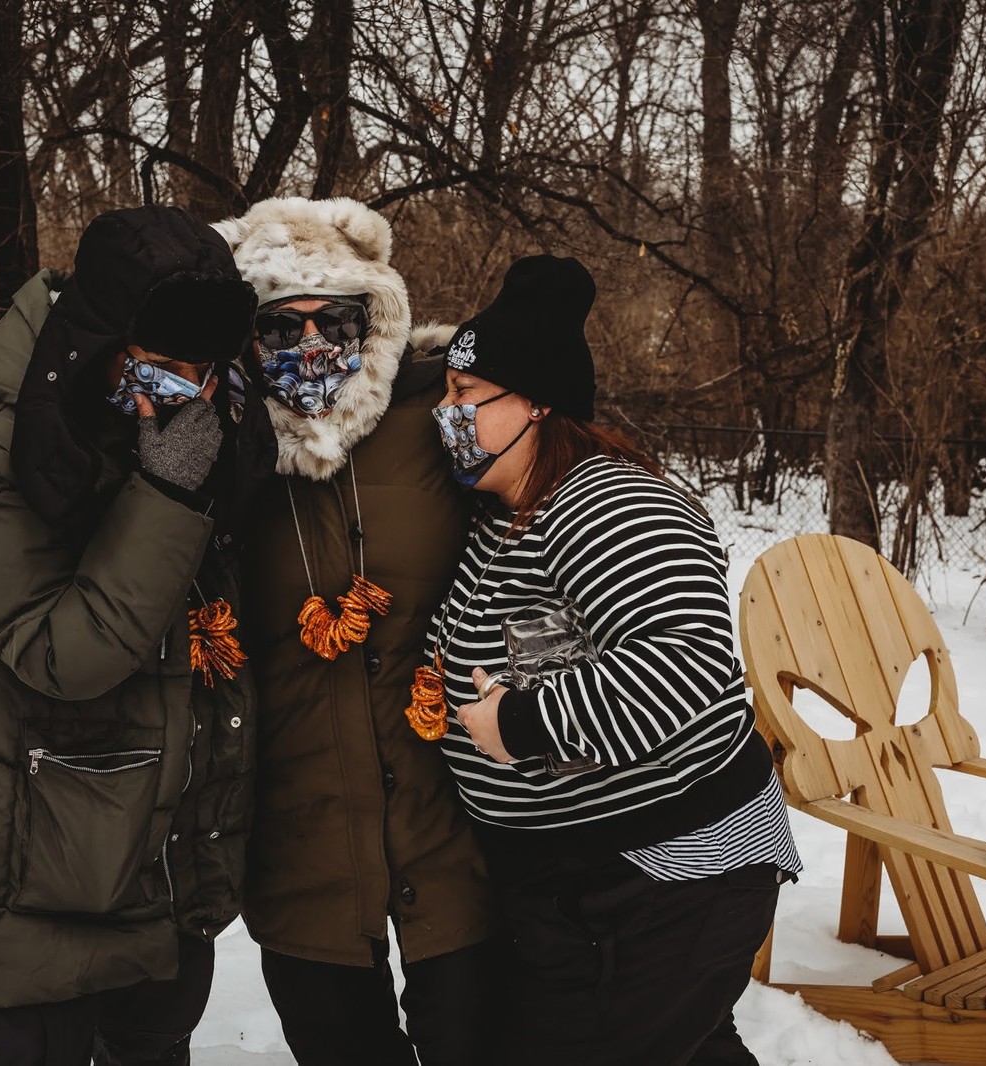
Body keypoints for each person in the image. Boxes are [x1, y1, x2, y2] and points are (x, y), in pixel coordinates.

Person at [0, 205, 273, 1065]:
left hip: (156, 879)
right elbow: (67, 655)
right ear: (95, 342)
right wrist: (168, 496)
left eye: (205, 368)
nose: (188, 389)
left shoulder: (187, 435)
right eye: (163, 363)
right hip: (26, 899)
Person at [424, 255, 803, 1066]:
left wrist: (521, 724)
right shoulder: (502, 510)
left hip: (667, 871)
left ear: (537, 403)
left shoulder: (610, 502)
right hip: (578, 880)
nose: (444, 414)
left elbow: (686, 660)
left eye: (463, 394)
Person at [212, 197, 499, 1065]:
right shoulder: (221, 445)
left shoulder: (442, 417)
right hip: (302, 833)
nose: (310, 342)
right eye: (280, 324)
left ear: (370, 321)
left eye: (333, 320)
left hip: (451, 818)